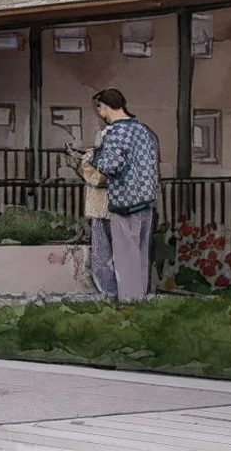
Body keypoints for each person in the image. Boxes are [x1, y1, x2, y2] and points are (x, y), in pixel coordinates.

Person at [82, 89, 160, 302]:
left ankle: (129, 303)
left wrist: (92, 158)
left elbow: (112, 165)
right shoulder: (143, 130)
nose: (99, 112)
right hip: (145, 200)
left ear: (103, 106)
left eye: (99, 108)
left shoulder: (115, 131)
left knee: (125, 258)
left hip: (124, 201)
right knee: (140, 256)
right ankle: (139, 299)